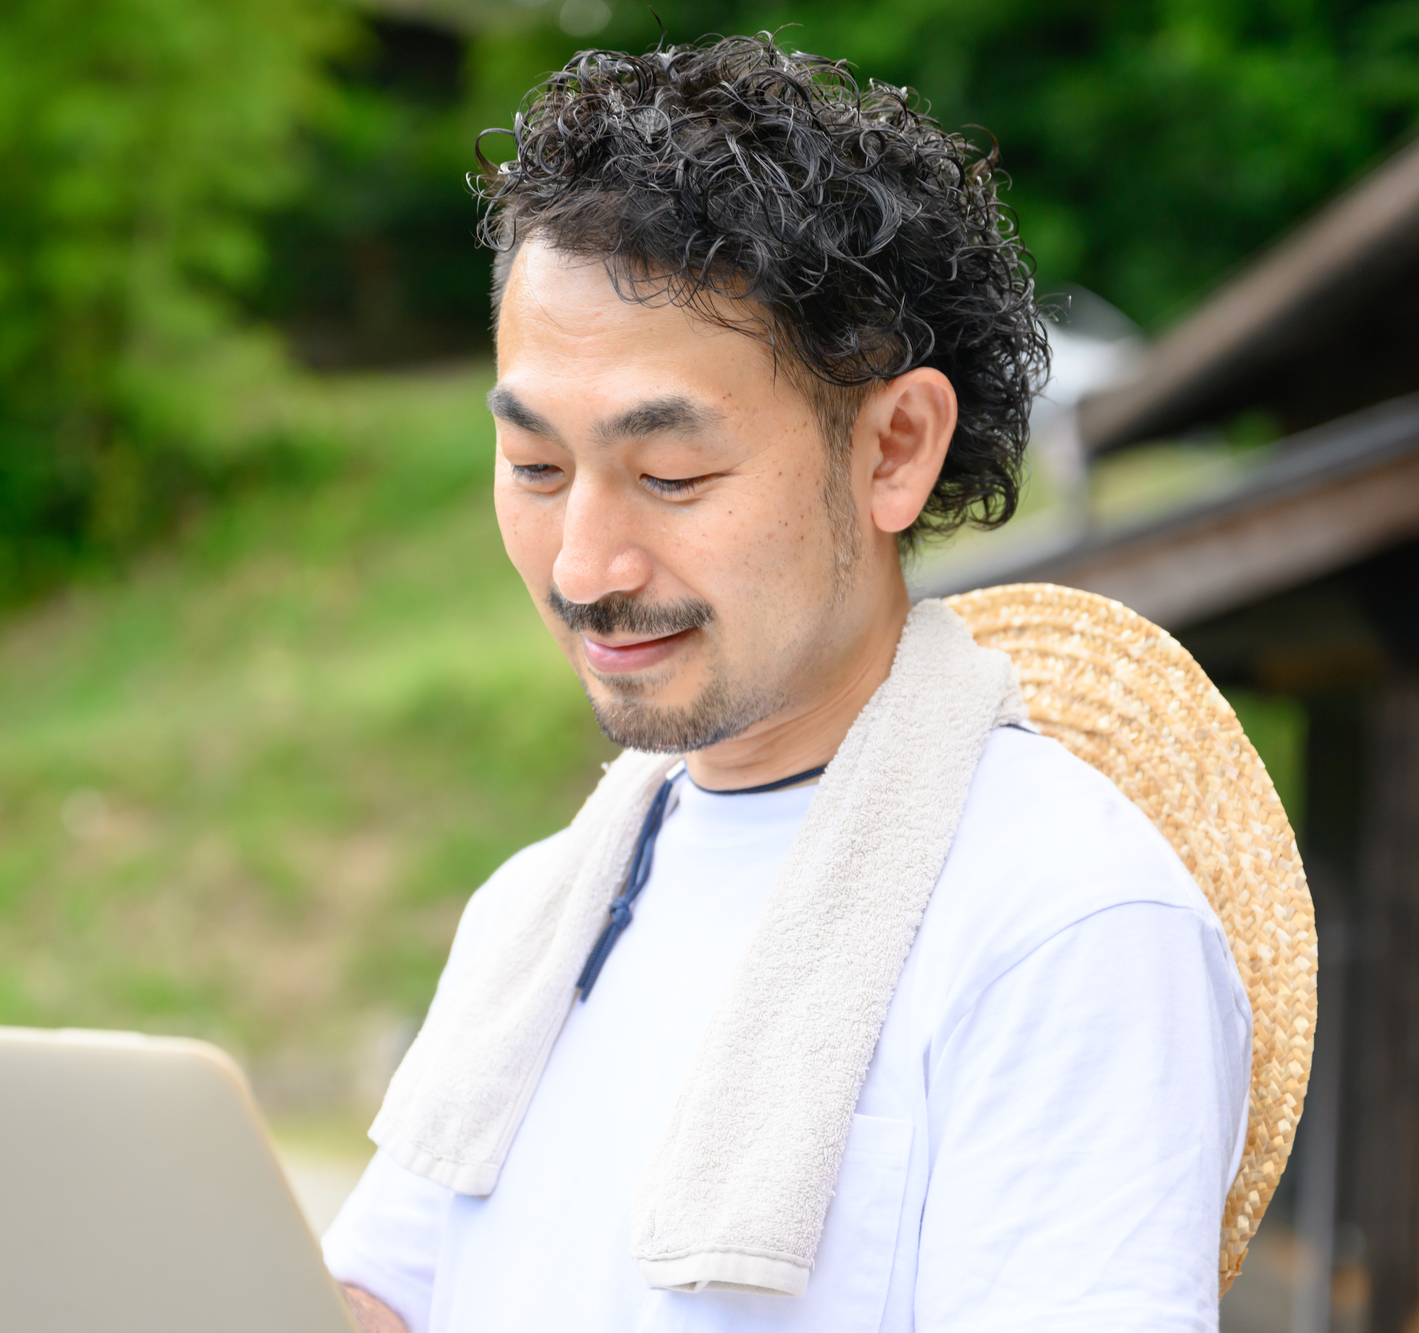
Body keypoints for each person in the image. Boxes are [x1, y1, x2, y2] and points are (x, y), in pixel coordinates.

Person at [320, 34, 1251, 1332]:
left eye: (672, 477)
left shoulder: (1060, 925)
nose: (585, 563)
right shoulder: (533, 914)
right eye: (535, 468)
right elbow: (386, 1298)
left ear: (895, 449)